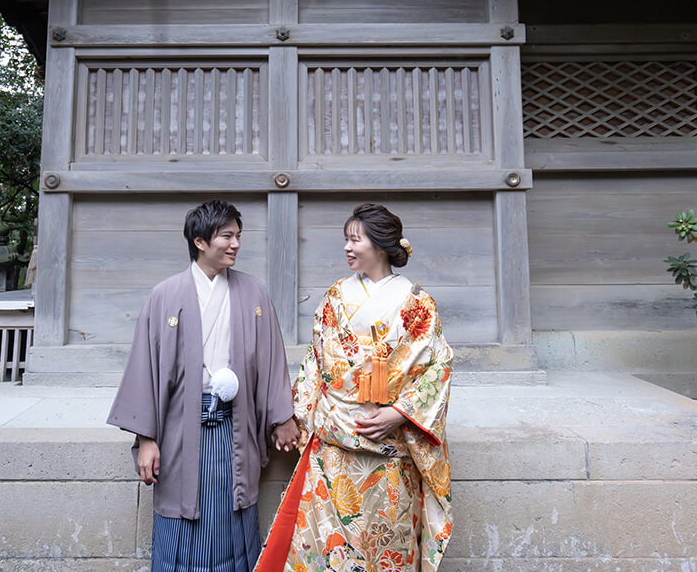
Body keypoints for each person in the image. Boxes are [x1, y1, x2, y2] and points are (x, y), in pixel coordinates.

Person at [257, 203, 454, 572]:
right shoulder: (335, 297)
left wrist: (398, 413)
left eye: (355, 240)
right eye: (346, 240)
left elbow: (436, 366)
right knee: (326, 546)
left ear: (379, 245)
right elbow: (315, 363)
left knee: (387, 545)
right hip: (334, 448)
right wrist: (292, 419)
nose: (347, 248)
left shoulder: (416, 302)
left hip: (390, 448)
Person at [108, 199, 299, 572]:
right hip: (179, 428)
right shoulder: (165, 295)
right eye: (226, 236)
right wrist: (147, 439)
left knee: (233, 504)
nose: (235, 244)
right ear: (200, 241)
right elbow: (144, 368)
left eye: (238, 236)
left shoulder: (253, 292)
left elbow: (272, 359)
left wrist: (282, 417)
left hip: (234, 423)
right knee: (181, 508)